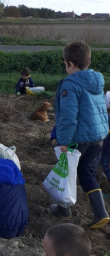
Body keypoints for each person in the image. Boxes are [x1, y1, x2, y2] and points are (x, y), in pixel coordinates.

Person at [49, 41, 109, 229]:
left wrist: (64, 141)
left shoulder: (70, 85)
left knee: (67, 170)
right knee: (87, 173)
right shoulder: (96, 81)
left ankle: (64, 208)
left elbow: (68, 117)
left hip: (79, 138)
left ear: (71, 64)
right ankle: (101, 213)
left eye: (65, 63)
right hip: (99, 137)